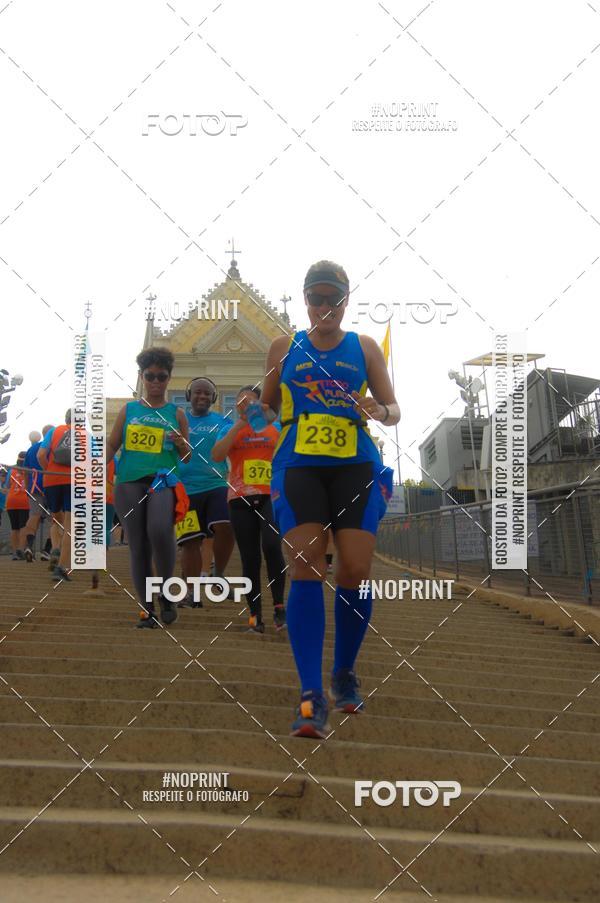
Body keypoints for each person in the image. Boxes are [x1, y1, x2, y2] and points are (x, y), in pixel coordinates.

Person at [261, 260, 400, 739]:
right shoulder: (284, 346)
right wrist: (256, 412)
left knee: (355, 571)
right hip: (298, 463)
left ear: (346, 300)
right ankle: (310, 693)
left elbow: (394, 409)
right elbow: (268, 401)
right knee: (305, 563)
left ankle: (343, 673)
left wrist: (379, 409)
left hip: (354, 463)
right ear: (305, 300)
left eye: (333, 298)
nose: (325, 306)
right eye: (316, 298)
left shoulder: (362, 348)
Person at [107, 347, 190, 628]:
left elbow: (188, 455)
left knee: (159, 529)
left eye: (161, 377)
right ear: (142, 377)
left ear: (169, 378)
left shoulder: (176, 413)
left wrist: (180, 443)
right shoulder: (128, 410)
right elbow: (112, 444)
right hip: (129, 481)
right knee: (138, 546)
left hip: (162, 479)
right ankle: (147, 608)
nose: (155, 382)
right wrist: (93, 466)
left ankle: (167, 592)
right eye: (150, 376)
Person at [212, 385, 286, 633]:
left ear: (260, 404)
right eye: (240, 402)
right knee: (249, 557)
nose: (245, 405)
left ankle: (279, 606)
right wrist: (239, 424)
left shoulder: (274, 429)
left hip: (270, 496)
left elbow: (287, 456)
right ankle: (255, 615)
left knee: (272, 546)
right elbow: (216, 455)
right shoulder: (229, 429)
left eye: (250, 401)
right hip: (239, 497)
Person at [176, 377, 235, 606]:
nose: (202, 397)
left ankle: (218, 575)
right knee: (190, 542)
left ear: (214, 398)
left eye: (207, 394)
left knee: (226, 526)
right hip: (185, 489)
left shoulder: (222, 422)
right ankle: (191, 592)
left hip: (216, 484)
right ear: (189, 396)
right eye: (198, 393)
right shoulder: (178, 420)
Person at [38, 411, 72, 582]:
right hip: (73, 481)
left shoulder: (54, 431)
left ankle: (56, 548)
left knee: (56, 519)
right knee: (70, 525)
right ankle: (61, 568)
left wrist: (48, 471)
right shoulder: (86, 436)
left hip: (51, 481)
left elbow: (41, 455)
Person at [23, 426, 52, 562]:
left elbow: (26, 470)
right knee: (56, 519)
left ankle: (28, 547)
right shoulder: (55, 447)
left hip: (35, 485)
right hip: (52, 485)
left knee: (34, 516)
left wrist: (27, 487)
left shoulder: (32, 449)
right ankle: (47, 550)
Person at [2, 452, 30, 559]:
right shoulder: (29, 470)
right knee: (24, 526)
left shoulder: (11, 471)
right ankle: (21, 550)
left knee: (14, 528)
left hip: (11, 501)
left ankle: (14, 553)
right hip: (24, 501)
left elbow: (7, 486)